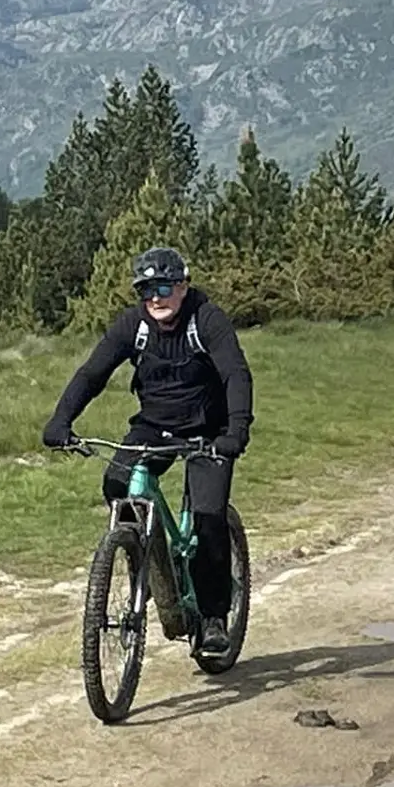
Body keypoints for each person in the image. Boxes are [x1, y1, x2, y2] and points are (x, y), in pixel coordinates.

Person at [41, 247, 253, 656]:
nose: (155, 297)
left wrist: (237, 430)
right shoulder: (133, 325)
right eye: (146, 289)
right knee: (117, 483)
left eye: (164, 287)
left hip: (210, 430)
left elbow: (235, 373)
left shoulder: (206, 319)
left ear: (183, 286)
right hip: (155, 424)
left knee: (209, 515)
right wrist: (60, 421)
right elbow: (93, 373)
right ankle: (144, 562)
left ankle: (212, 617)